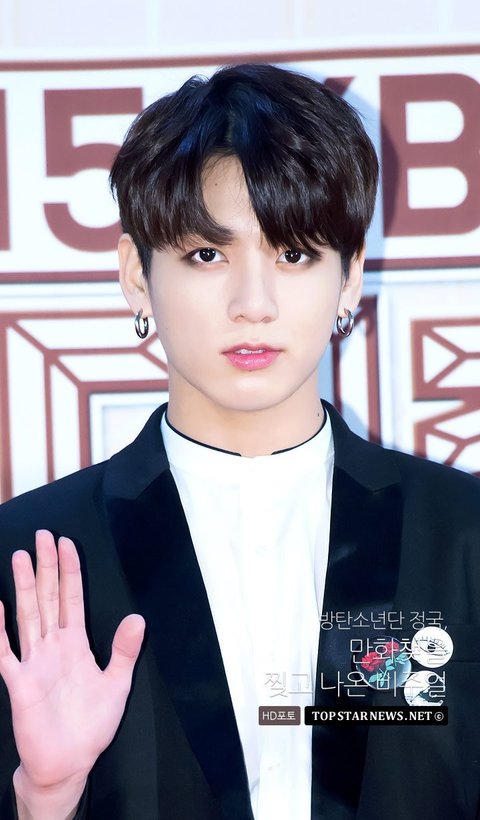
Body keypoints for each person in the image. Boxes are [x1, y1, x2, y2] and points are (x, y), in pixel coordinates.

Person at [0, 63, 479, 820]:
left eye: (294, 254)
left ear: (350, 275)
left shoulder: (459, 534)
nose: (253, 304)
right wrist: (45, 797)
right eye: (207, 255)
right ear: (136, 274)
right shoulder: (36, 557)